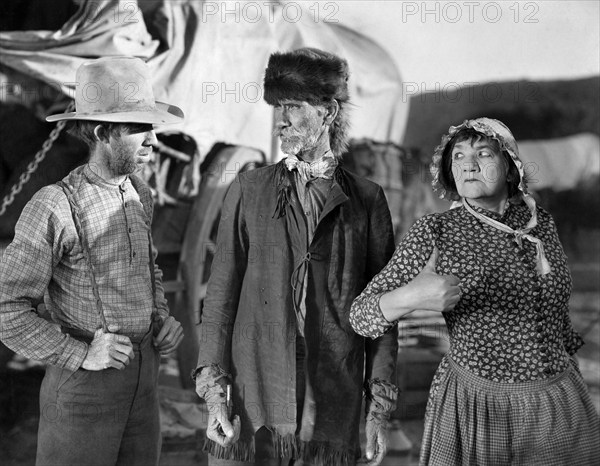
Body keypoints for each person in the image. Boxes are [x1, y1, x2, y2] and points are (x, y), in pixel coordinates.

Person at [350, 117, 600, 465]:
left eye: (483, 153)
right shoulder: (437, 230)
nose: (468, 164)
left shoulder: (539, 221)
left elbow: (557, 316)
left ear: (511, 168)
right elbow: (361, 315)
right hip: (479, 409)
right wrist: (414, 297)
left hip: (559, 404)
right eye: (458, 157)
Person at [193, 48, 398, 466]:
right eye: (276, 107)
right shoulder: (249, 189)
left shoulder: (366, 199)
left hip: (333, 382)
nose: (280, 120)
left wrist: (378, 409)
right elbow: (219, 297)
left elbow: (384, 312)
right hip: (259, 380)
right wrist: (214, 393)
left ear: (327, 112)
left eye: (292, 107)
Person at [0, 56, 185, 466]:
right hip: (83, 399)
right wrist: (80, 355)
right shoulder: (54, 206)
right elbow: (6, 310)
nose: (154, 140)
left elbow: (147, 269)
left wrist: (160, 319)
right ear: (102, 133)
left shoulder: (139, 193)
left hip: (144, 393)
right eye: (140, 128)